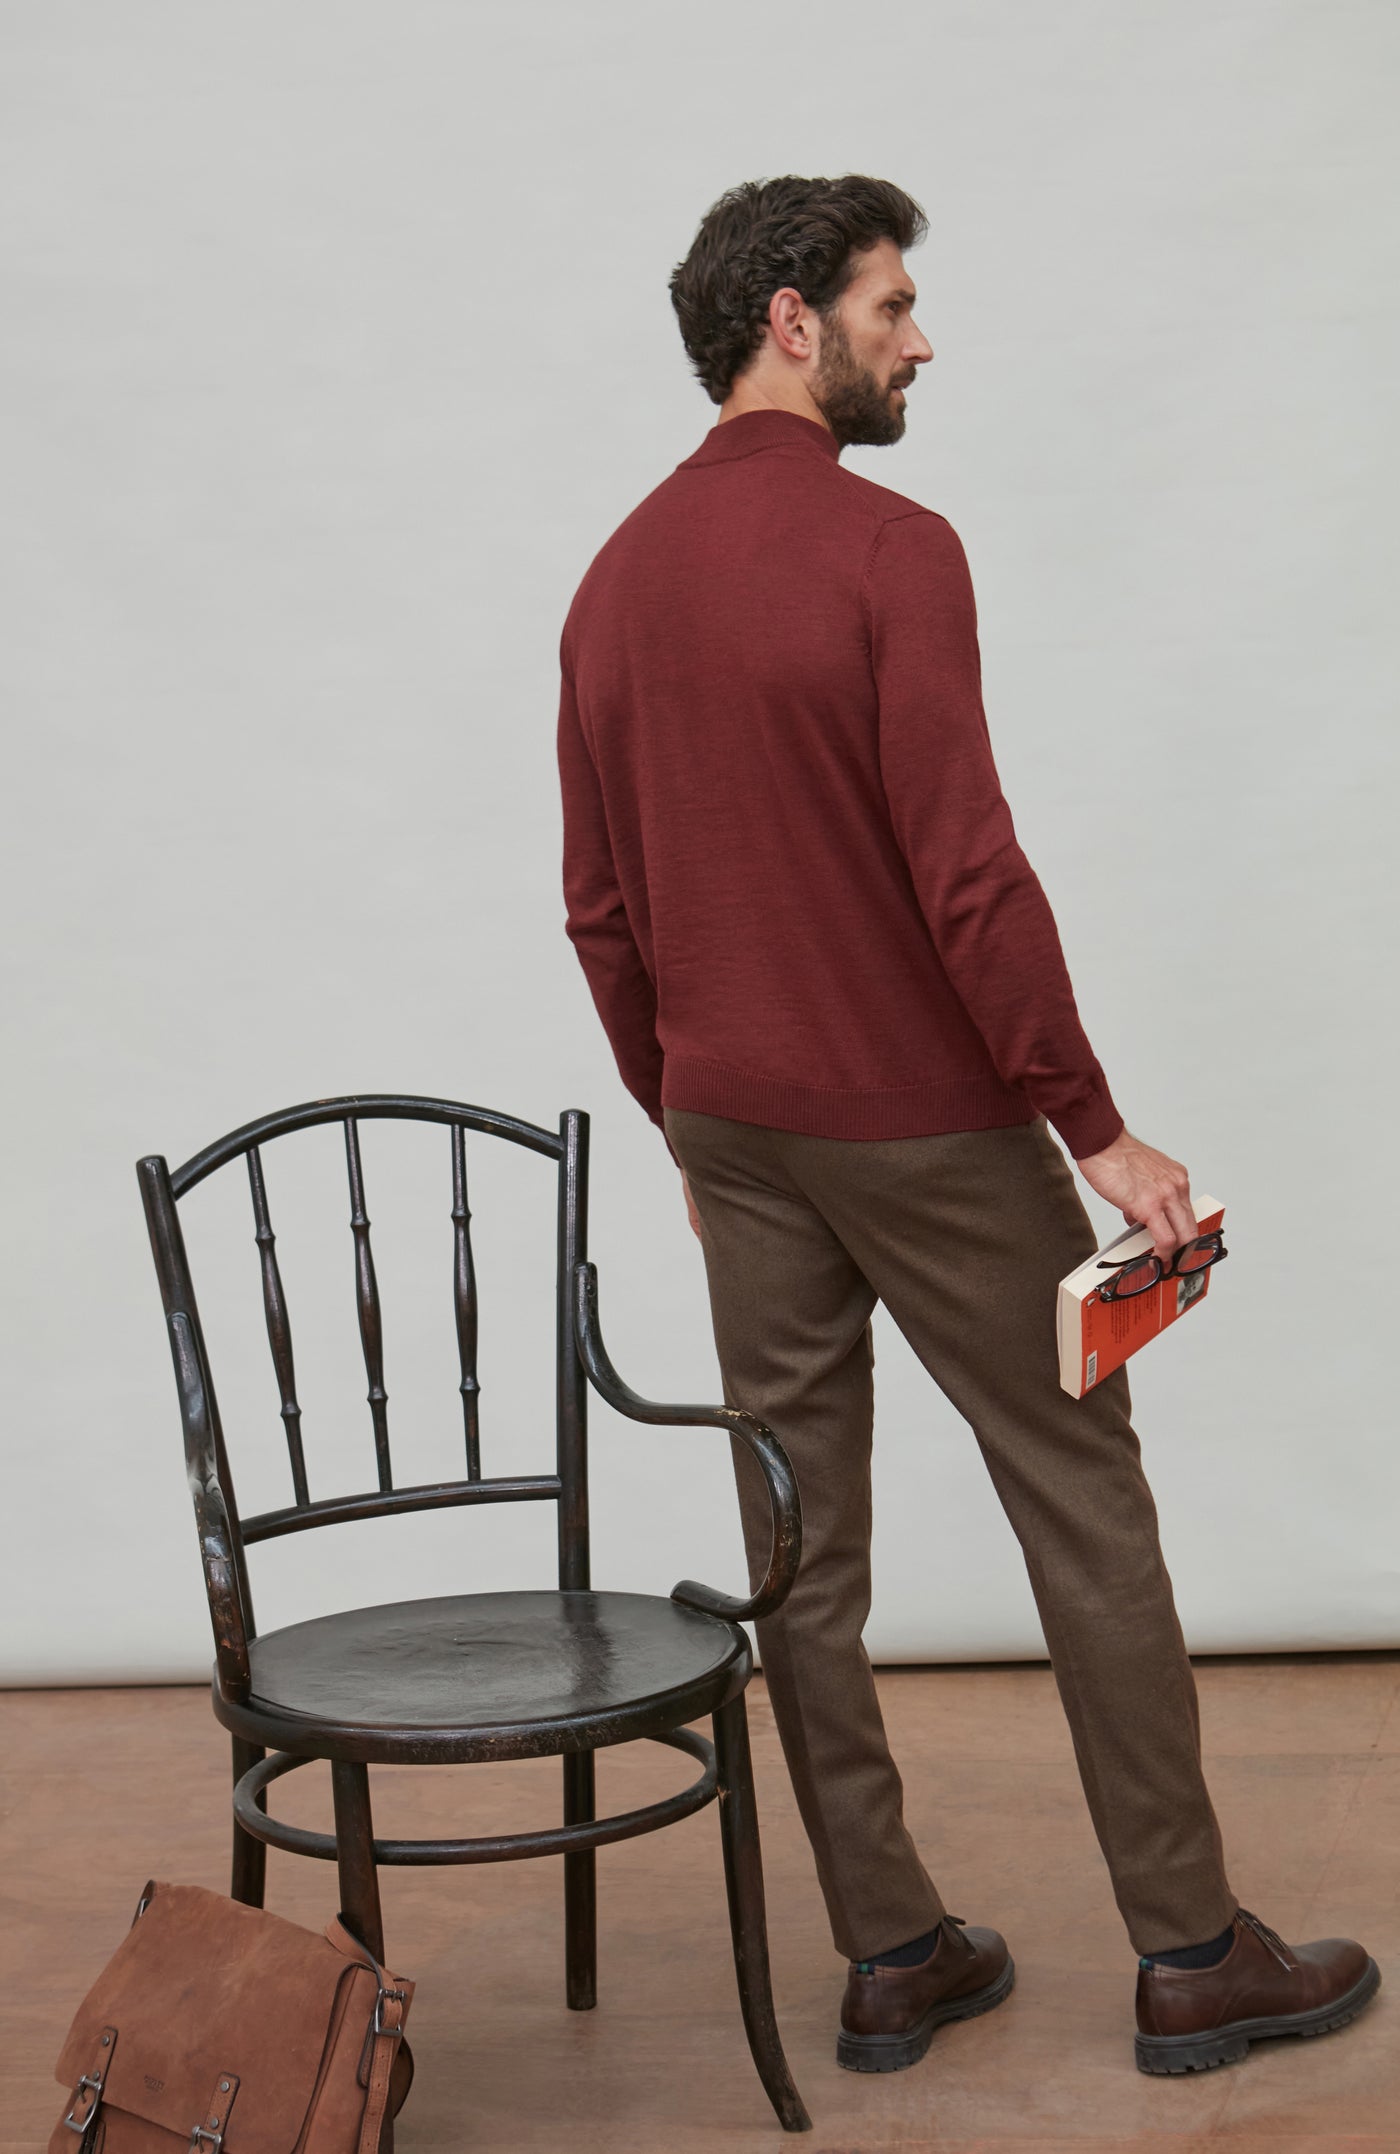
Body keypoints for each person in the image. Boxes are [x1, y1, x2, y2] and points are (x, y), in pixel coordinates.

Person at [555, 173, 1378, 2077]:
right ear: (789, 318)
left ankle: (890, 1949)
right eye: (891, 303)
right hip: (924, 1126)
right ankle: (1190, 1952)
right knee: (1084, 1500)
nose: (920, 340)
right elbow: (969, 876)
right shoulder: (889, 548)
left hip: (740, 1131)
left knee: (800, 1550)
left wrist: (684, 1123)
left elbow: (600, 910)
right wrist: (1092, 1127)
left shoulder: (609, 583)